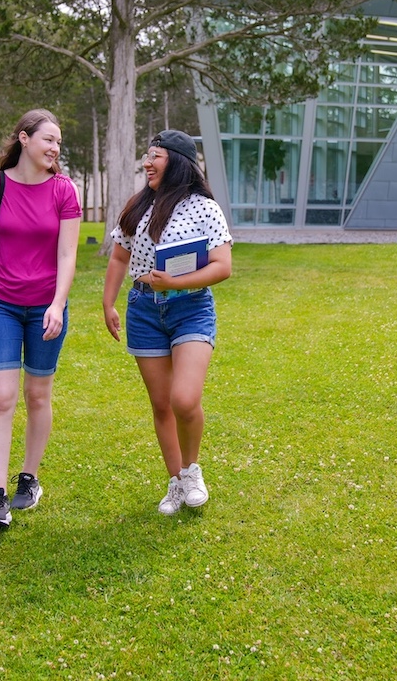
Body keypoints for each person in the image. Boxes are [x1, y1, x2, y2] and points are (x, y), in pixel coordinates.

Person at [0, 110, 82, 528]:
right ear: (24, 139)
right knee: (0, 397)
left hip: (47, 305)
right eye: (48, 139)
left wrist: (57, 303)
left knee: (37, 395)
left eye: (59, 143)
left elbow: (68, 254)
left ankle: (28, 478)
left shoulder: (64, 190)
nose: (54, 148)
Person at [103, 130, 232, 514]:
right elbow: (118, 257)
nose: (147, 162)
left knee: (184, 399)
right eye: (146, 155)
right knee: (161, 404)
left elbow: (223, 267)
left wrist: (175, 282)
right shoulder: (139, 206)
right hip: (144, 309)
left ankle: (192, 471)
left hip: (190, 307)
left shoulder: (205, 208)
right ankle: (176, 481)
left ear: (177, 161)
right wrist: (108, 303)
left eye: (154, 155)